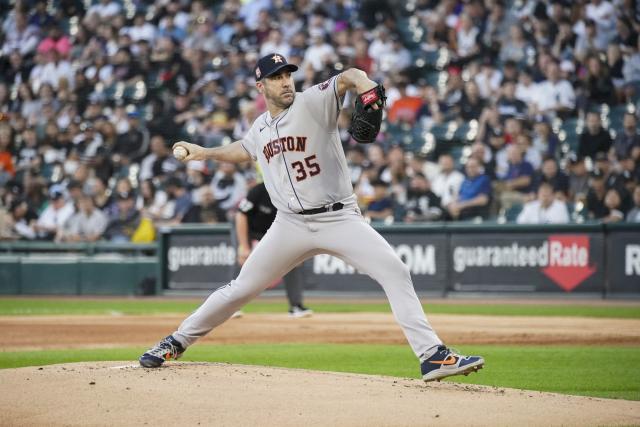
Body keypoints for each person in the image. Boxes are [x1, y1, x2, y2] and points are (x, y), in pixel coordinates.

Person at [139, 54, 484, 382]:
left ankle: (431, 355)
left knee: (394, 270)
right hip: (289, 224)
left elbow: (349, 76)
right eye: (276, 78)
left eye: (288, 74)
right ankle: (176, 341)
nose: (286, 82)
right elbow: (245, 149)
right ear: (261, 87)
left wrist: (366, 86)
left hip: (339, 218)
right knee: (240, 289)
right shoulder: (260, 127)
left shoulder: (313, 102)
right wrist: (206, 152)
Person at [236, 181, 312, 318]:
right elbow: (241, 215)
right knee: (243, 262)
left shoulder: (294, 194)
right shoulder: (259, 190)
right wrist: (243, 245)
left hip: (276, 234)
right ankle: (232, 306)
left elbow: (299, 222)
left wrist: (298, 250)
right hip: (252, 232)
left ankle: (296, 306)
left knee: (292, 263)